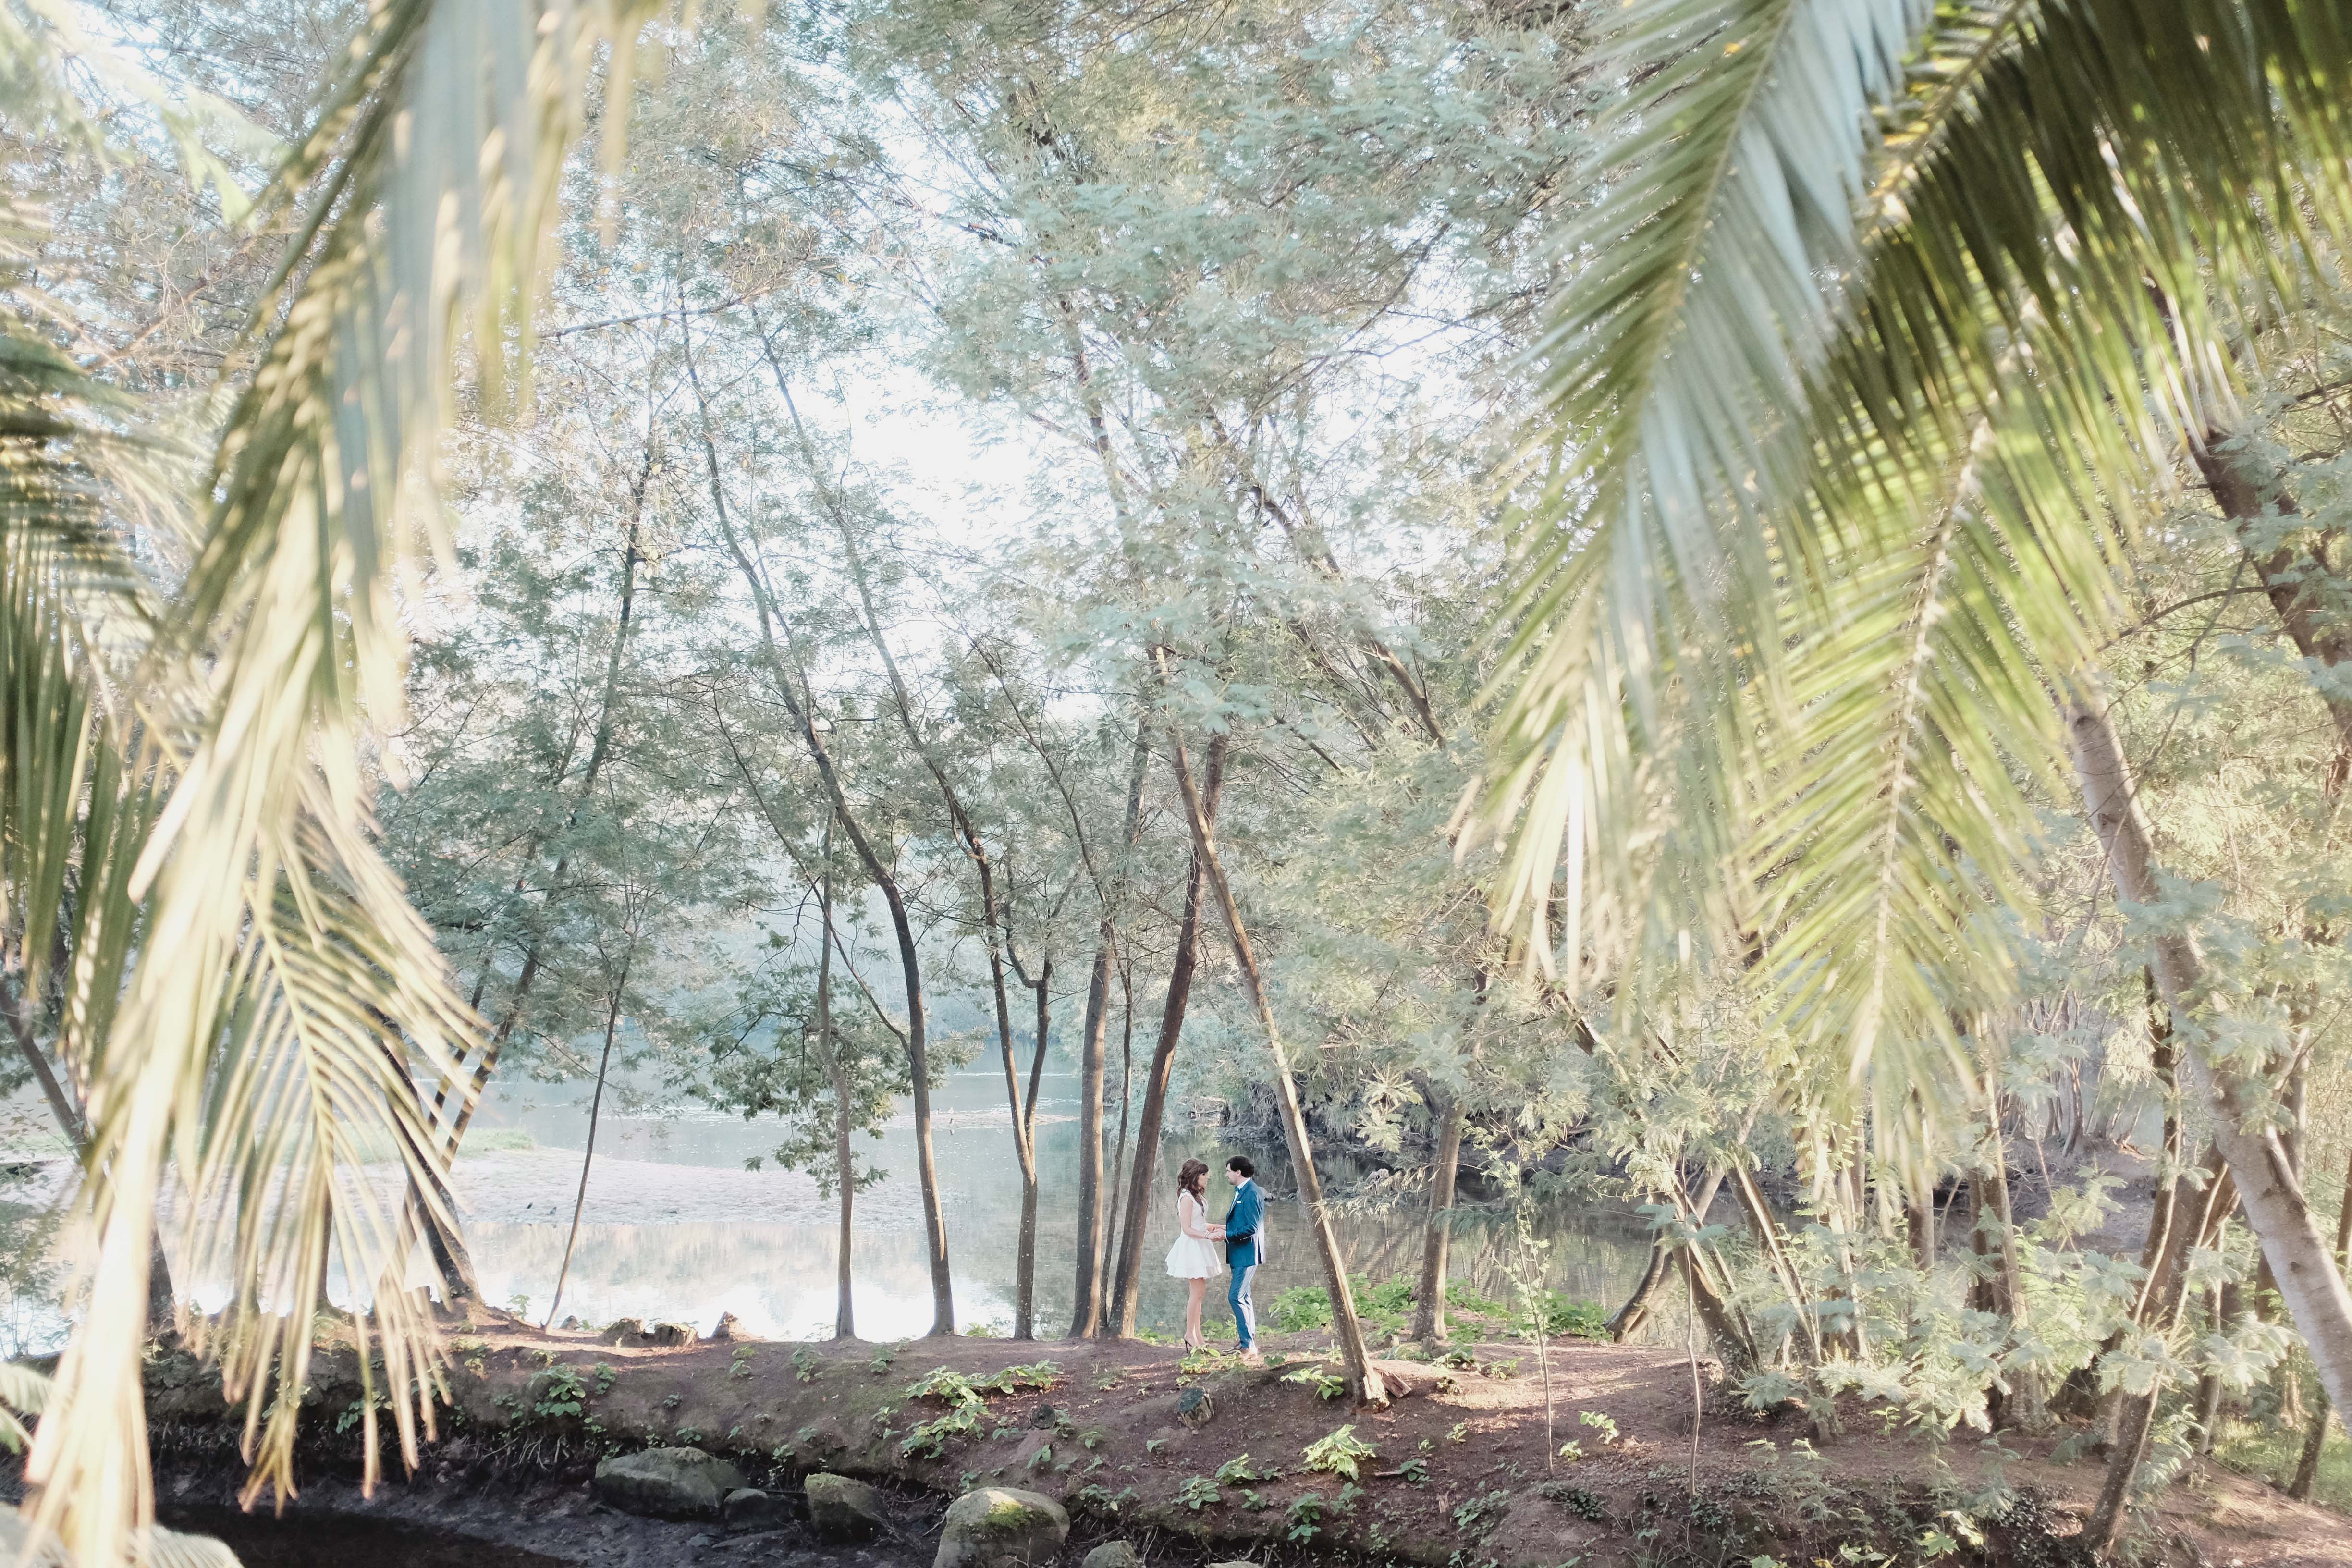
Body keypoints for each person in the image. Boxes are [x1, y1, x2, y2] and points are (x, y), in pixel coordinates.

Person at [1163, 1158, 1224, 1351]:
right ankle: (1190, 1334)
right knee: (1197, 1292)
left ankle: (1198, 1334)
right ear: (1195, 1176)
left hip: (1200, 1245)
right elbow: (1188, 1228)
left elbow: (1199, 1222)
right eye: (1204, 1175)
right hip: (1192, 1247)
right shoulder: (1186, 1198)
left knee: (1200, 1293)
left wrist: (1217, 1226)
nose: (1207, 1178)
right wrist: (1208, 1236)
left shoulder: (1195, 1196)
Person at [1223, 1154, 1265, 1362]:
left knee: (1235, 1297)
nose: (1227, 1174)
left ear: (1239, 1172)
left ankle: (1249, 1346)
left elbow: (1252, 1228)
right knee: (1244, 1297)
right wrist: (1222, 1229)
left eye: (1229, 1171)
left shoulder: (1251, 1194)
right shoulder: (1242, 1191)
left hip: (1247, 1254)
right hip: (1239, 1255)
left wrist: (1226, 1235)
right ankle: (1246, 1341)